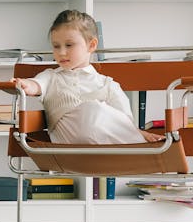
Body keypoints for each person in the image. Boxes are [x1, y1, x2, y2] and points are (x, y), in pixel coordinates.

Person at [11, 9, 163, 144]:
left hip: (106, 145)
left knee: (96, 109)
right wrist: (25, 84)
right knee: (91, 108)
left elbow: (123, 123)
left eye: (69, 45)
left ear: (91, 45)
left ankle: (138, 139)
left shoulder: (107, 84)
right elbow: (36, 84)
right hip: (67, 143)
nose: (62, 52)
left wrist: (138, 131)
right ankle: (137, 139)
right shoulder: (51, 77)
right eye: (56, 46)